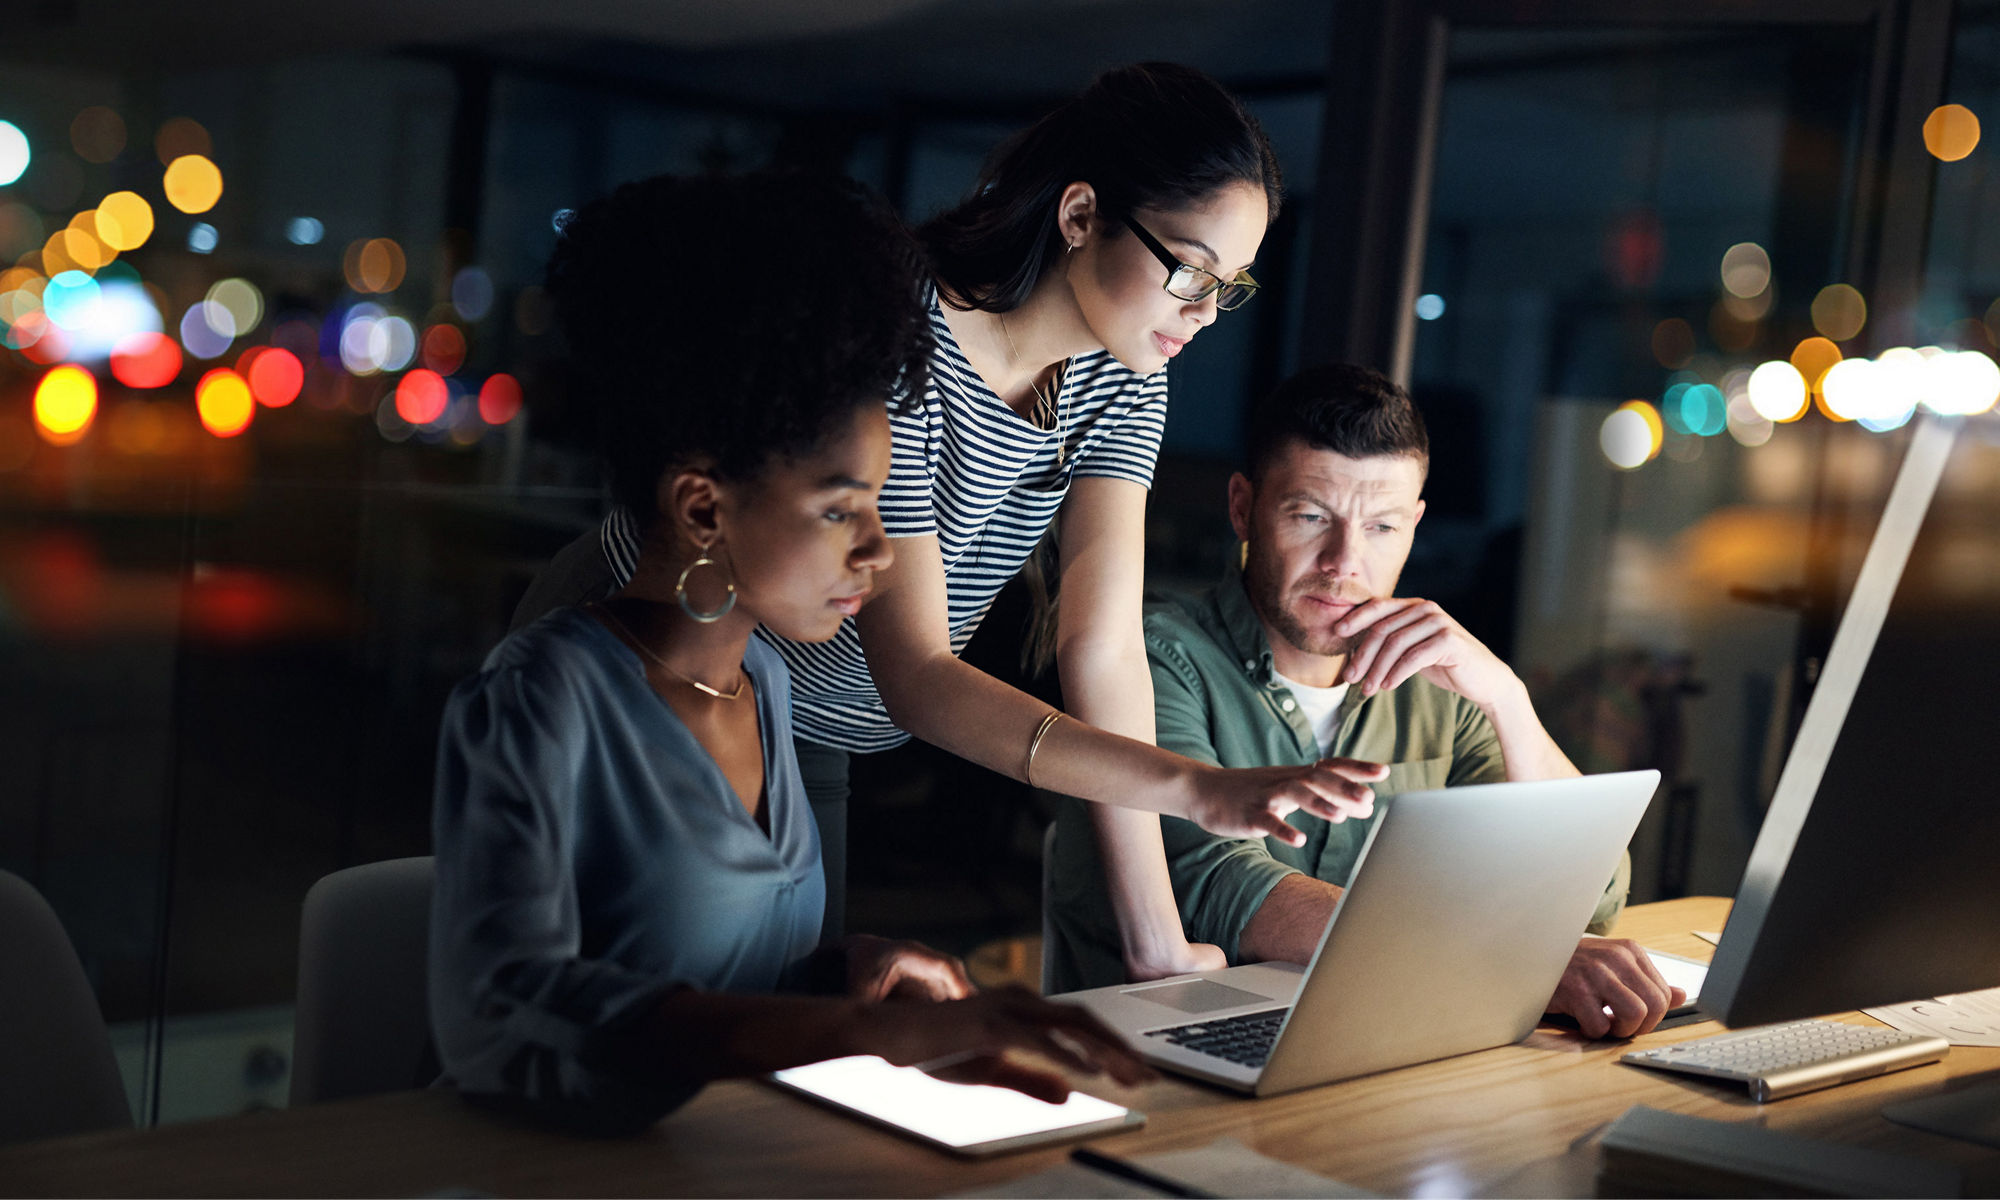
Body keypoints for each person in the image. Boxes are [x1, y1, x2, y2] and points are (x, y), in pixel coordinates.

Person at [513, 62, 1381, 982]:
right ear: (1081, 215)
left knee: (779, 1012)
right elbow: (918, 673)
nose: (1206, 313)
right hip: (668, 644)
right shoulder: (898, 334)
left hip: (816, 716)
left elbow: (1105, 650)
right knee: (605, 989)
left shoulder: (1128, 377)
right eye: (1191, 270)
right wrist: (1193, 786)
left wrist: (1154, 937)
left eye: (1232, 286)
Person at [429, 171, 1152, 1134]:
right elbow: (501, 1020)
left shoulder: (762, 683)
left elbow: (708, 969)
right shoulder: (539, 700)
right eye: (839, 509)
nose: (880, 549)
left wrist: (850, 977)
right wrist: (857, 1037)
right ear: (702, 507)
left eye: (880, 503)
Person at [1046, 364, 1686, 1040]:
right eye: (1311, 516)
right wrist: (1499, 955)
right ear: (1243, 508)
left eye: (1381, 527)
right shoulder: (1153, 660)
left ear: (1414, 525)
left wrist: (1507, 697)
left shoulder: (1440, 681)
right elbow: (1214, 883)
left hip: (1372, 1041)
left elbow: (1595, 893)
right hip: (1154, 1058)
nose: (1343, 560)